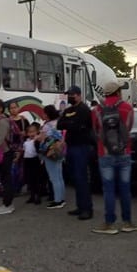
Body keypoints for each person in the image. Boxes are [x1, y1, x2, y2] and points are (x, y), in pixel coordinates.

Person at [91, 80, 137, 235]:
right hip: (124, 153)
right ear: (118, 92)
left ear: (105, 93)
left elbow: (96, 132)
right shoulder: (127, 108)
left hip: (105, 154)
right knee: (125, 189)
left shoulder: (97, 110)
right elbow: (129, 128)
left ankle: (109, 223)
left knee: (109, 190)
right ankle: (127, 222)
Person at [57, 85, 94, 220]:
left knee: (82, 178)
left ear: (78, 95)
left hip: (82, 147)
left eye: (72, 95)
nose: (70, 97)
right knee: (74, 179)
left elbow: (79, 125)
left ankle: (87, 209)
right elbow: (60, 124)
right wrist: (70, 123)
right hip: (71, 147)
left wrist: (70, 123)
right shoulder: (69, 110)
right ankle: (80, 206)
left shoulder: (84, 109)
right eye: (68, 95)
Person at [38, 105, 66, 209]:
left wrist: (37, 137)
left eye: (44, 113)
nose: (43, 114)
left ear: (47, 114)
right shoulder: (59, 123)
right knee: (59, 176)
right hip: (59, 152)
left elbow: (42, 139)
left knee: (54, 177)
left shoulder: (47, 126)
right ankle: (61, 198)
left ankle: (57, 200)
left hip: (50, 153)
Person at [22, 124, 43, 205]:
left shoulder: (36, 140)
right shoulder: (26, 141)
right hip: (27, 161)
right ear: (27, 133)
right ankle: (32, 196)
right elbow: (24, 151)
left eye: (33, 132)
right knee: (30, 179)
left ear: (37, 132)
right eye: (29, 132)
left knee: (37, 179)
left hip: (35, 161)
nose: (31, 134)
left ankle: (38, 196)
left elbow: (39, 151)